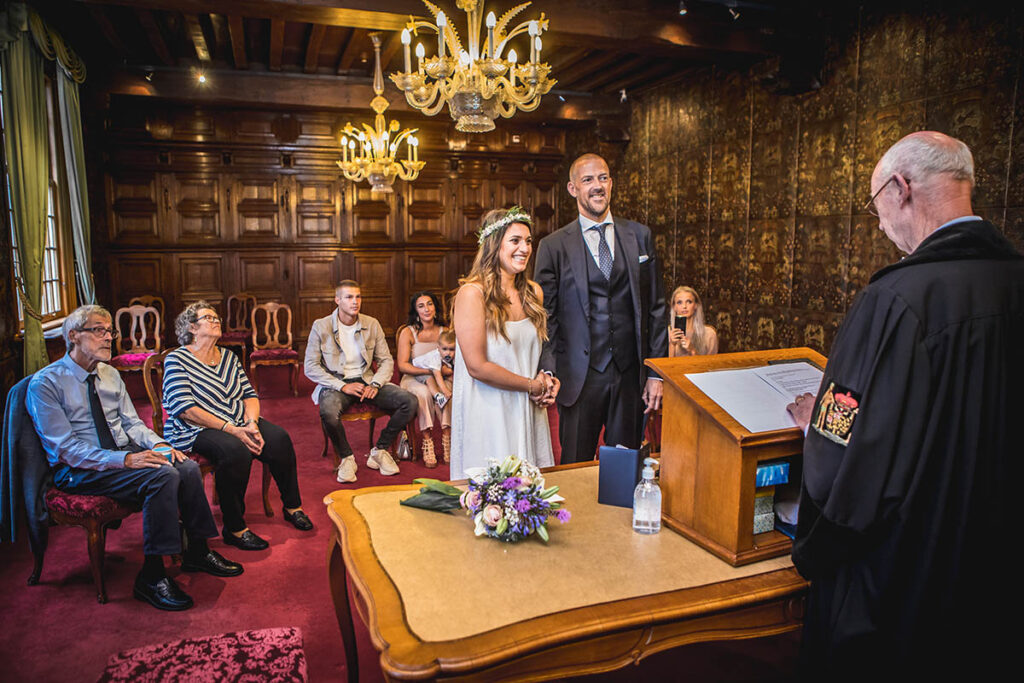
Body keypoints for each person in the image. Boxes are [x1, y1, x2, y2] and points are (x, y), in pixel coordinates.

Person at [785, 131, 1022, 678]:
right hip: (998, 571)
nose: (880, 223)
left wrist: (810, 428)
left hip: (904, 579)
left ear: (901, 188)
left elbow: (845, 446)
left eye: (875, 207)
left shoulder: (894, 299)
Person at [26, 305, 243, 611]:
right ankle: (152, 576)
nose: (109, 338)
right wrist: (126, 461)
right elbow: (64, 449)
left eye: (109, 331)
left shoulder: (110, 374)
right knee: (163, 476)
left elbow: (132, 424)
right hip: (77, 470)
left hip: (120, 455)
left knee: (186, 466)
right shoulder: (46, 384)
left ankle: (197, 550)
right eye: (99, 330)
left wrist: (163, 446)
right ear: (73, 336)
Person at [535, 153, 668, 463]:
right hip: (579, 378)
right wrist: (549, 368)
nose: (598, 186)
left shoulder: (640, 236)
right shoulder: (553, 246)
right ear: (572, 188)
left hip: (630, 375)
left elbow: (657, 308)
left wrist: (656, 374)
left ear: (612, 183)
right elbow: (546, 317)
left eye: (603, 178)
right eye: (588, 180)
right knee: (574, 466)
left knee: (624, 468)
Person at [162, 302, 312, 552]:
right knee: (235, 450)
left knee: (279, 439)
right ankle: (234, 528)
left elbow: (249, 395)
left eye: (216, 317)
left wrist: (251, 424)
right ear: (191, 327)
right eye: (208, 318)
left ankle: (292, 507)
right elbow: (185, 408)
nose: (216, 320)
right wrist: (233, 430)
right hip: (194, 428)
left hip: (238, 421)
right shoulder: (177, 359)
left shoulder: (229, 356)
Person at [450, 207, 558, 479]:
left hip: (529, 406)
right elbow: (477, 367)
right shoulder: (472, 294)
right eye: (515, 240)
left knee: (530, 497)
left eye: (528, 241)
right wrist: (531, 385)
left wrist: (546, 378)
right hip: (489, 410)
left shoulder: (534, 293)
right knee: (495, 498)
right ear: (494, 244)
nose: (525, 248)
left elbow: (537, 348)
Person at [305, 280, 417, 483]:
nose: (355, 302)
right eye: (349, 297)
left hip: (366, 380)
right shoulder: (321, 326)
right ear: (337, 300)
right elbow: (310, 367)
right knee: (328, 411)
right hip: (336, 383)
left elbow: (385, 360)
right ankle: (347, 458)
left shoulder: (371, 324)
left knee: (409, 401)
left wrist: (375, 384)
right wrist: (343, 386)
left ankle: (380, 450)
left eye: (358, 297)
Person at [396, 293, 453, 467]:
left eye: (429, 304)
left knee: (449, 392)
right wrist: (429, 371)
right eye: (421, 306)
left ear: (435, 307)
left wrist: (442, 373)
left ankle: (446, 438)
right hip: (413, 377)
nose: (426, 309)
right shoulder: (408, 332)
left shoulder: (446, 331)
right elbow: (403, 365)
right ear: (416, 310)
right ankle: (427, 441)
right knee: (424, 393)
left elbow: (454, 358)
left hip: (441, 377)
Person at [667, 286, 718, 356]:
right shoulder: (667, 333)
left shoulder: (709, 334)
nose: (684, 306)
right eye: (679, 302)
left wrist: (692, 350)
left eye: (689, 302)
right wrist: (672, 344)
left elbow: (711, 365)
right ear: (674, 307)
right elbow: (666, 365)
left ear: (696, 305)